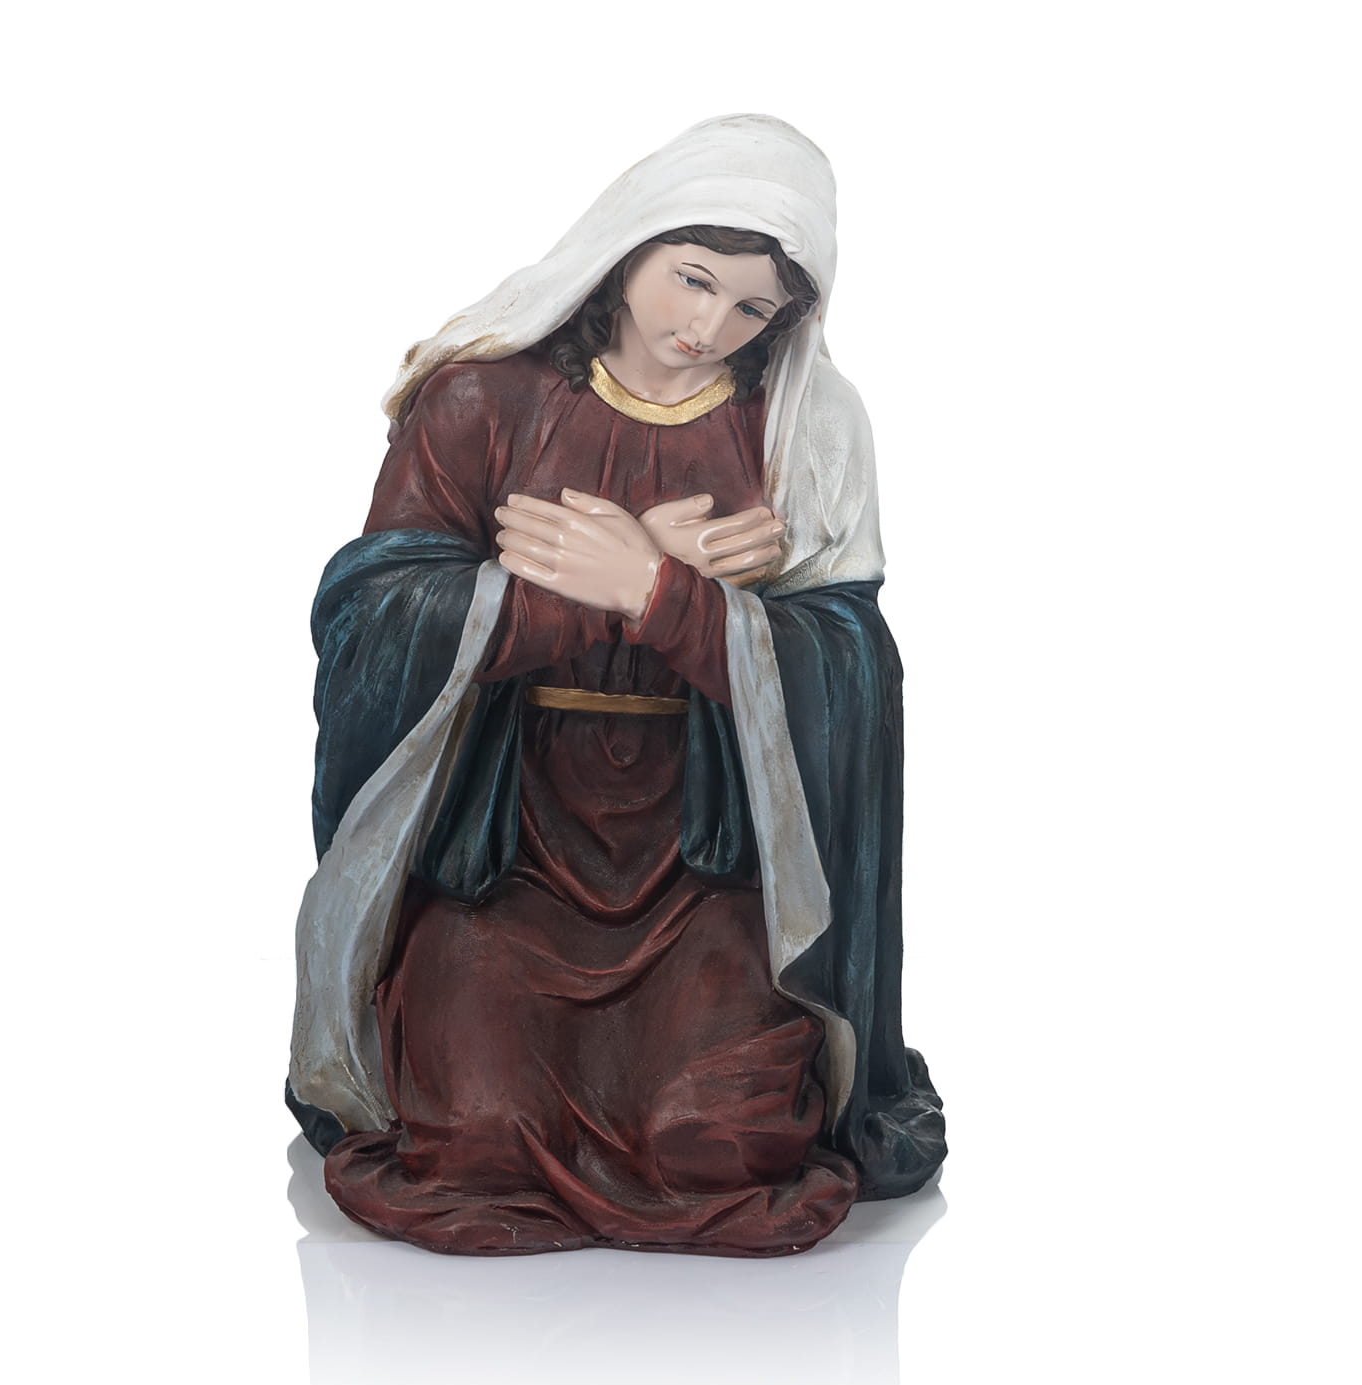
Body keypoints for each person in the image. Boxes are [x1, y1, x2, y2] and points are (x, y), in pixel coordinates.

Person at [287, 114, 946, 1257]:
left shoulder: (807, 426)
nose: (710, 328)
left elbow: (855, 670)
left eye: (753, 309)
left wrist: (667, 595)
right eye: (693, 280)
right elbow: (370, 623)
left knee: (724, 1143)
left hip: (706, 861)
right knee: (474, 1139)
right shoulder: (480, 398)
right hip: (508, 851)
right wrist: (569, 597)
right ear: (630, 244)